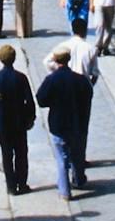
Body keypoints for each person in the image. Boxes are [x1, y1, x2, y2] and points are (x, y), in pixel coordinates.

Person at [36, 47, 93, 199]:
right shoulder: (80, 79)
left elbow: (41, 99)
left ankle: (64, 190)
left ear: (55, 60)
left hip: (58, 124)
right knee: (77, 154)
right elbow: (88, 96)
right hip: (77, 122)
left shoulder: (51, 80)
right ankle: (79, 179)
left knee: (61, 158)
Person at [0, 43, 36, 194]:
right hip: (19, 121)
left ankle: (11, 186)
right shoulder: (21, 77)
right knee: (21, 154)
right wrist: (30, 118)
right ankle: (22, 183)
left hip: (3, 121)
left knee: (6, 155)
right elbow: (29, 100)